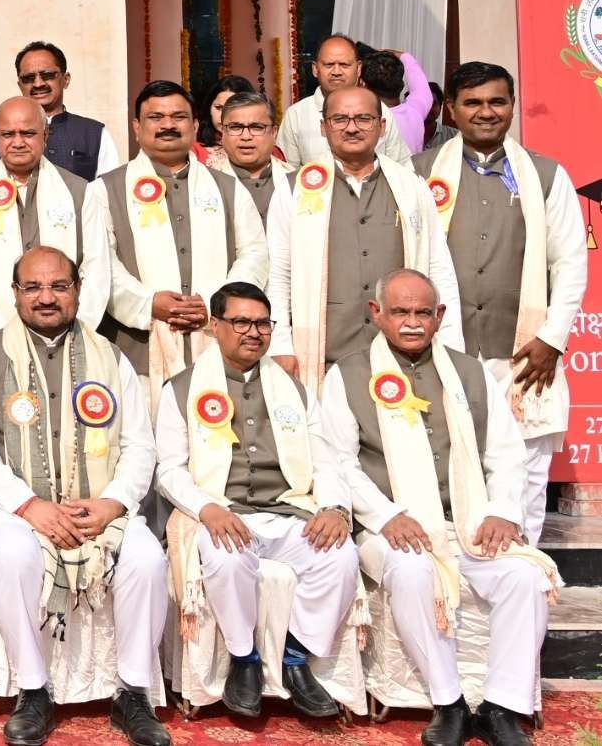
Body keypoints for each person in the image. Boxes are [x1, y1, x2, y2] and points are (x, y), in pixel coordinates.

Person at [317, 269, 558, 746]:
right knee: (411, 571)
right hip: (391, 526)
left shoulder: (470, 372)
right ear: (376, 313)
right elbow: (338, 462)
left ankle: (501, 707)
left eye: (422, 312)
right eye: (400, 312)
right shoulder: (346, 375)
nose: (412, 322)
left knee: (524, 576)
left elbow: (506, 453)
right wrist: (387, 515)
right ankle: (449, 704)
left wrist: (501, 511)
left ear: (439, 315)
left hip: (469, 521)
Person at [0, 245, 170, 746]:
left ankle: (133, 693)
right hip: (15, 509)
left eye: (58, 286)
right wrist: (30, 506)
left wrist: (113, 503)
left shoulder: (110, 357)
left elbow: (140, 445)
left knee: (147, 558)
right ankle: (33, 690)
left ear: (77, 290)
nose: (46, 297)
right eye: (33, 287)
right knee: (13, 552)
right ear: (15, 293)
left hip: (100, 507)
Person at [152, 281, 357, 721]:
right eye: (241, 322)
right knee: (226, 557)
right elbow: (169, 468)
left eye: (263, 324)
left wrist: (335, 509)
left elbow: (326, 462)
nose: (254, 332)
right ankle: (244, 659)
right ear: (215, 326)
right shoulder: (181, 389)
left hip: (288, 510)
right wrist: (207, 508)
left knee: (341, 556)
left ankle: (296, 658)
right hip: (222, 512)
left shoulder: (294, 391)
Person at [414, 62, 585, 541]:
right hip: (444, 347)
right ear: (450, 110)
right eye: (472, 102)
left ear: (512, 105)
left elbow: (570, 262)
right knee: (445, 462)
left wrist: (552, 339)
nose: (486, 112)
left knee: (526, 470)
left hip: (525, 352)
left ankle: (523, 567)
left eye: (497, 101)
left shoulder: (545, 175)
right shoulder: (419, 172)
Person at [265, 86, 461, 389]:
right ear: (323, 127)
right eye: (340, 119)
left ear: (382, 127)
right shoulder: (294, 190)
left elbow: (438, 267)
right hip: (324, 355)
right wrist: (280, 343)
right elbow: (279, 272)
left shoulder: (411, 187)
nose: (352, 127)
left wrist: (449, 341)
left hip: (402, 354)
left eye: (363, 119)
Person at [99, 80, 269, 396]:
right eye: (155, 117)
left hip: (218, 342)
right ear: (136, 127)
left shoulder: (229, 188)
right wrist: (149, 304)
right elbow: (101, 265)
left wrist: (217, 304)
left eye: (178, 117)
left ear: (195, 126)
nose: (168, 125)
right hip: (138, 351)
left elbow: (255, 254)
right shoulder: (105, 190)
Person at [0, 97, 114, 340]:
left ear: (45, 135)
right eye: (8, 134)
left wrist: (76, 329)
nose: (18, 142)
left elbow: (97, 269)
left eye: (28, 133)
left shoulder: (79, 192)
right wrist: (1, 336)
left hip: (70, 337)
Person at [0, 42, 120, 181]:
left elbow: (108, 190)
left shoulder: (94, 133)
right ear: (20, 85)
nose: (38, 84)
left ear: (66, 79)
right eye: (28, 78)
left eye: (48, 75)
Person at [277, 35, 413, 163]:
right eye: (329, 65)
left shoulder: (380, 111)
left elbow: (401, 167)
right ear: (315, 69)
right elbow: (287, 172)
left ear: (358, 69)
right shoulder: (296, 115)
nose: (336, 72)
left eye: (344, 65)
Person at [208, 91, 293, 215]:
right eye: (235, 127)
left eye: (256, 127)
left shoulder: (295, 181)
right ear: (223, 132)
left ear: (274, 132)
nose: (246, 137)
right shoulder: (205, 182)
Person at [359, 50, 434, 153]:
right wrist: (391, 54)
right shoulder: (416, 111)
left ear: (363, 84)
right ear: (401, 84)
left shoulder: (363, 124)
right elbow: (413, 68)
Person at [192, 74, 258, 165]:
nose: (223, 116)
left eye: (232, 108)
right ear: (209, 108)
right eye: (218, 108)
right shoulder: (193, 151)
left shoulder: (265, 148)